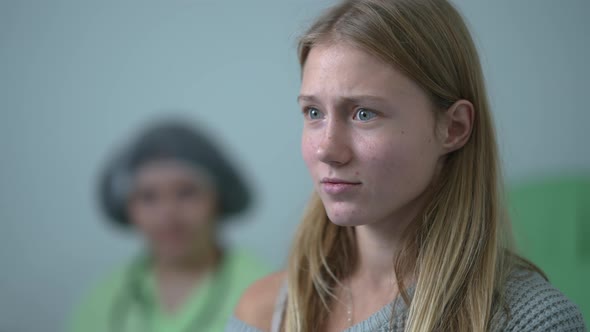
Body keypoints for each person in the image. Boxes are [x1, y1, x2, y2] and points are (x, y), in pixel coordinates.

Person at [228, 0, 586, 331]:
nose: (327, 150)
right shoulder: (263, 311)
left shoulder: (532, 320)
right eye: (314, 112)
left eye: (364, 113)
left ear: (454, 128)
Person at [69, 120, 270, 332]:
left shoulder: (266, 291)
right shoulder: (104, 300)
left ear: (219, 200)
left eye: (186, 192)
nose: (168, 214)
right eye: (148, 197)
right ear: (129, 209)